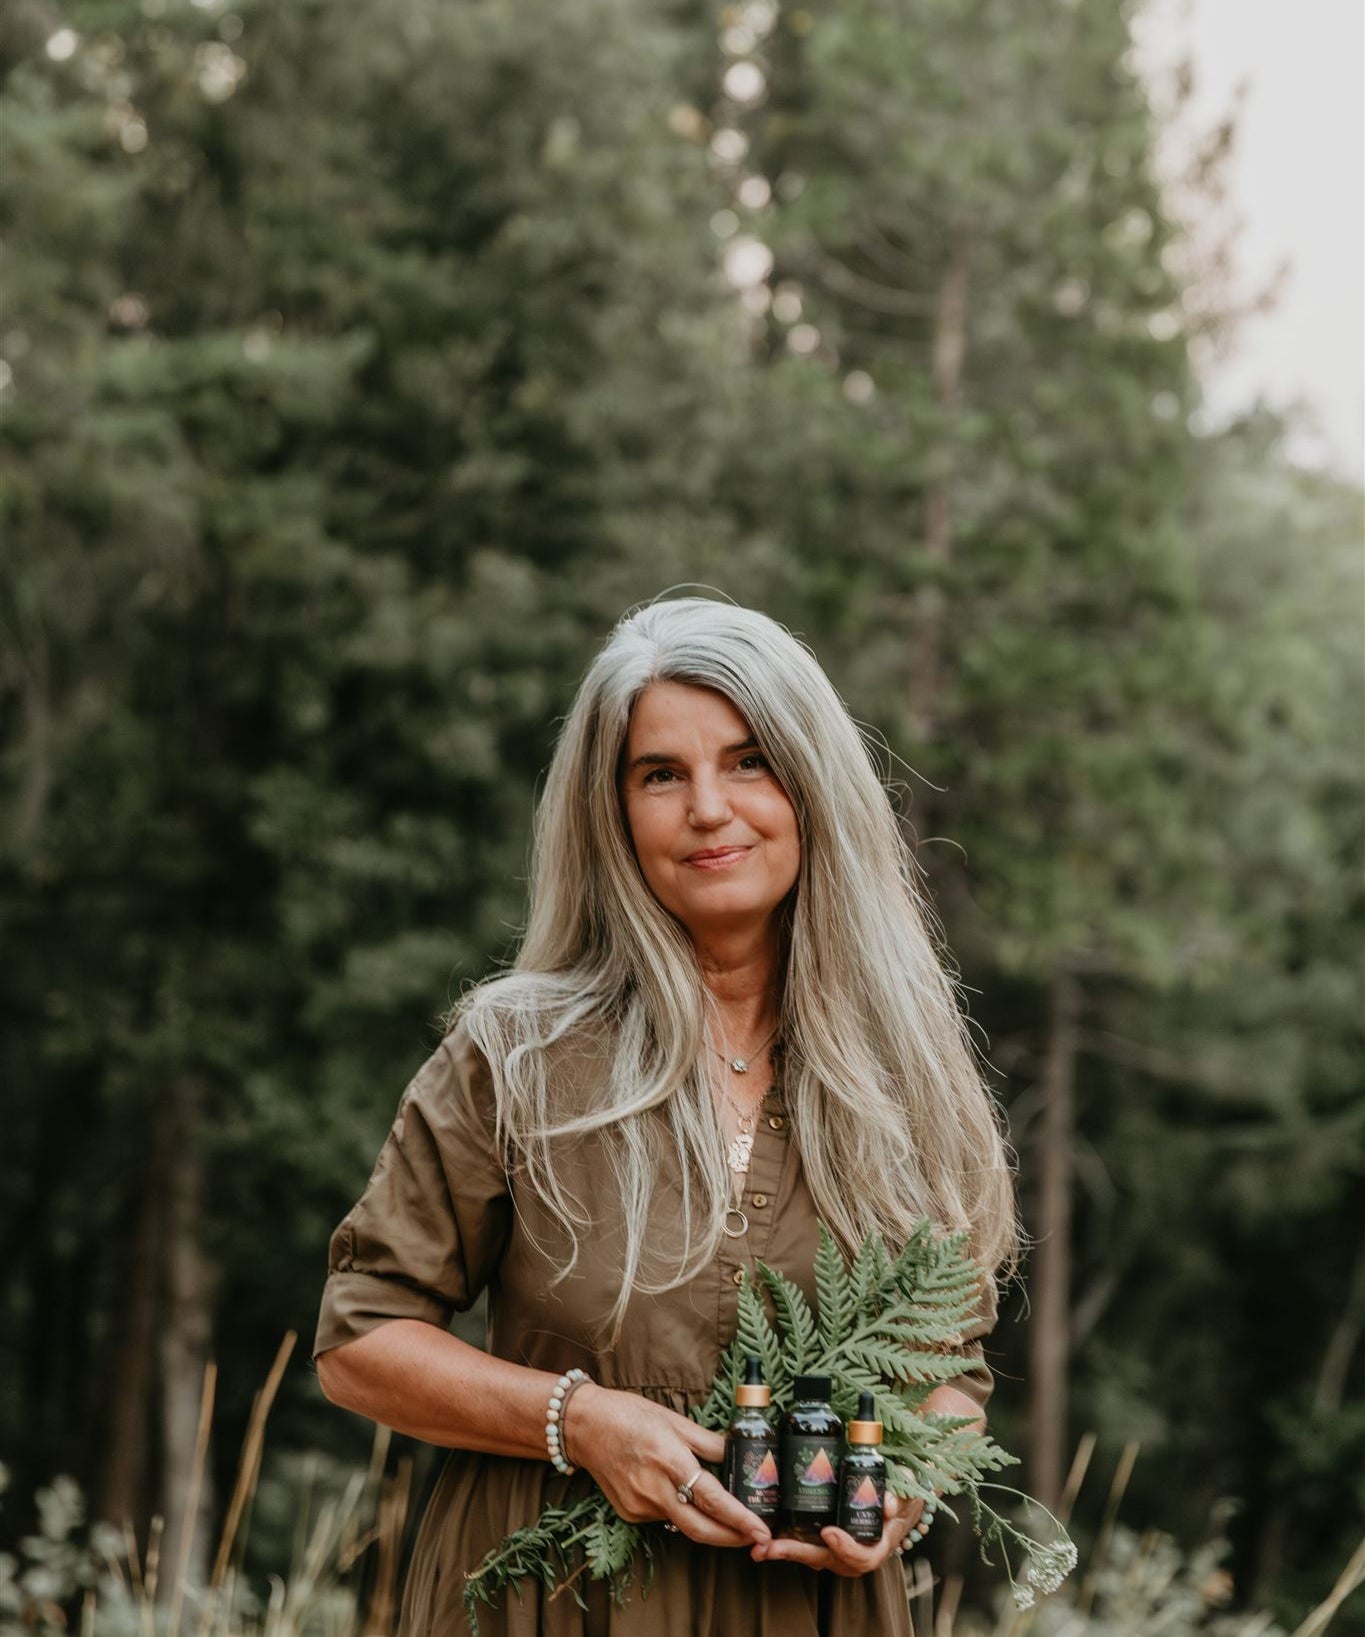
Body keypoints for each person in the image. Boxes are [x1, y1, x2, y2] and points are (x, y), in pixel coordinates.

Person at [314, 598, 1018, 1636]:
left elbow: (951, 1373)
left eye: (748, 761)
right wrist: (579, 1420)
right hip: (549, 1601)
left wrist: (903, 1490)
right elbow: (361, 1337)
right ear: (612, 811)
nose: (708, 807)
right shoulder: (516, 1054)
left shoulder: (906, 1075)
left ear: (813, 786)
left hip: (809, 1606)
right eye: (660, 773)